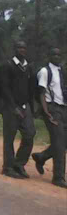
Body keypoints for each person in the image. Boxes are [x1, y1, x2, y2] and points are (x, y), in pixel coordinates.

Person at [0, 41, 36, 179]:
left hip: (25, 106)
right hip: (10, 107)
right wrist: (13, 107)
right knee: (9, 137)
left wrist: (31, 106)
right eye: (19, 47)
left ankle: (19, 164)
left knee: (30, 134)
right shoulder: (8, 66)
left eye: (24, 48)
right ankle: (8, 167)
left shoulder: (28, 67)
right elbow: (4, 88)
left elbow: (31, 88)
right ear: (14, 49)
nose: (22, 50)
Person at [31, 48, 66, 189]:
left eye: (59, 54)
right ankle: (58, 177)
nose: (57, 57)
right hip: (52, 109)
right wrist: (47, 113)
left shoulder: (61, 71)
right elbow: (41, 93)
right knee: (59, 144)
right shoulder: (45, 71)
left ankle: (41, 157)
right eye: (54, 54)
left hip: (63, 108)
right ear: (49, 56)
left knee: (63, 142)